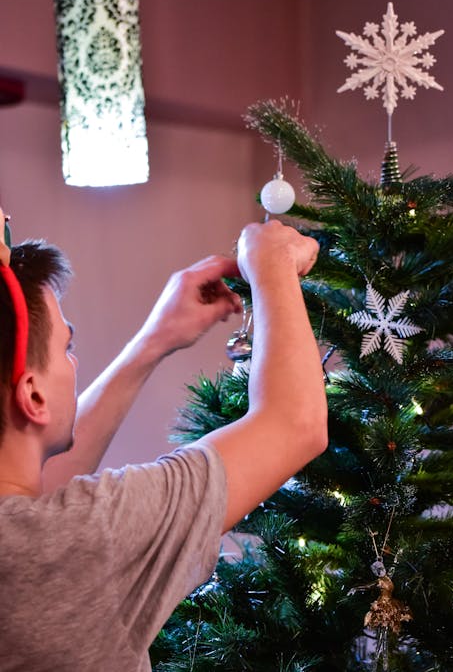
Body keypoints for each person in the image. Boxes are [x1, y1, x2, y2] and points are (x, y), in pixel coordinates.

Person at [0, 209, 327, 671]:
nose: (73, 362)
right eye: (66, 347)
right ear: (32, 393)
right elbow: (295, 423)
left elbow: (40, 488)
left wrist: (155, 340)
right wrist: (270, 263)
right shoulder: (81, 535)